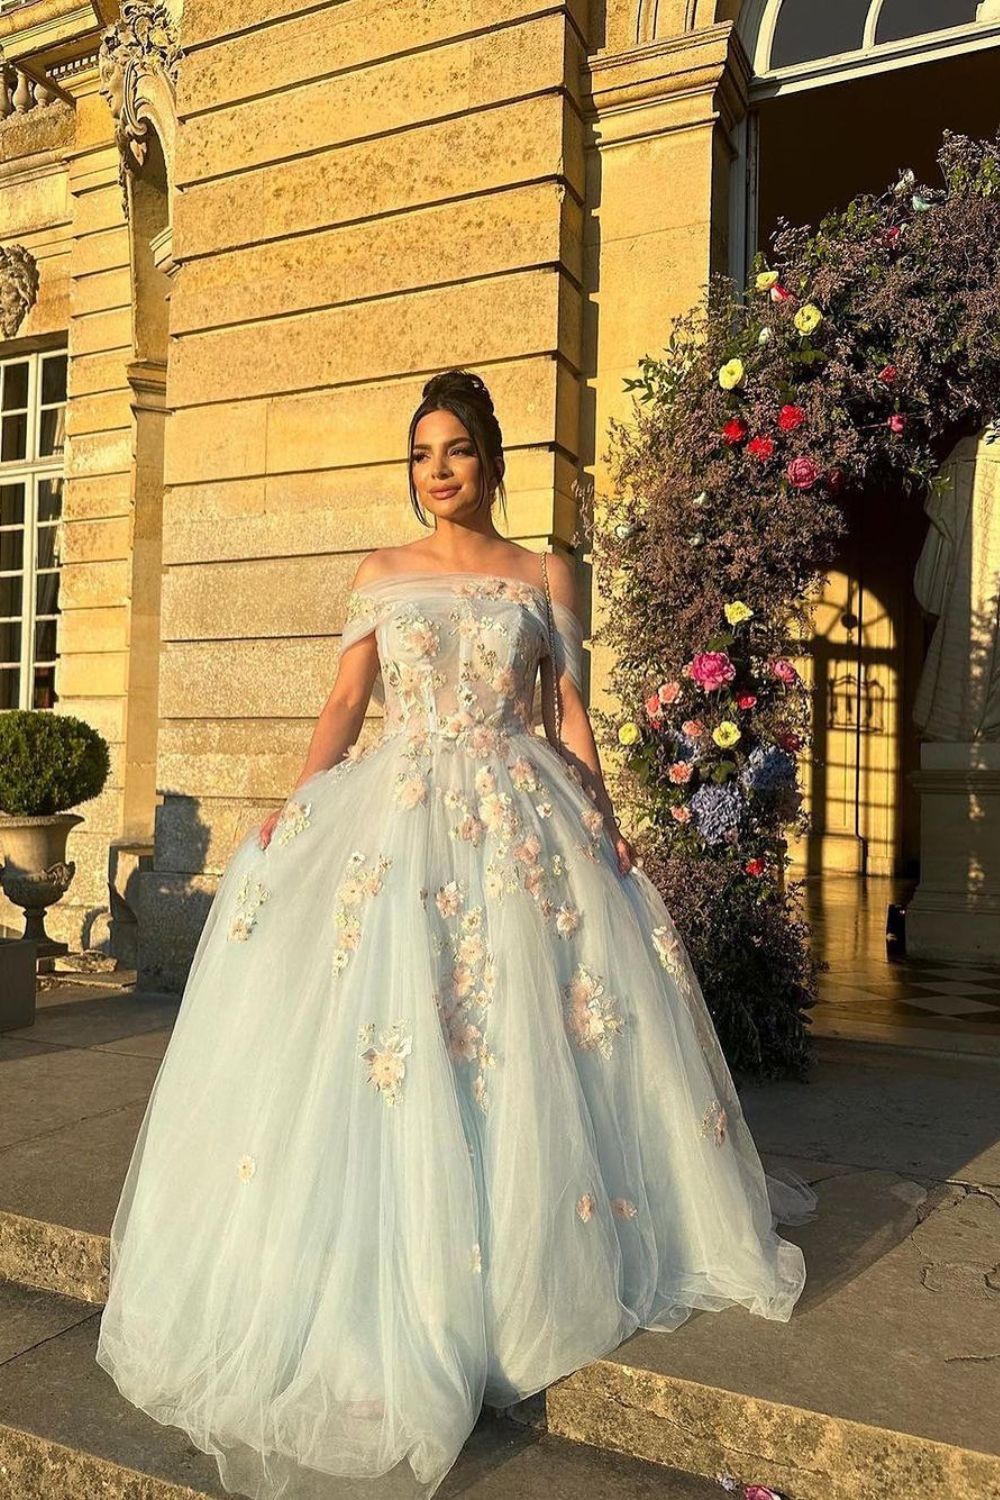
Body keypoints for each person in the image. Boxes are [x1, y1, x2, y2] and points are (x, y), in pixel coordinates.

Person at [95, 368, 818, 1500]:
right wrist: (295, 803)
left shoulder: (543, 572)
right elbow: (345, 703)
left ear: (489, 460)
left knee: (517, 1030)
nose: (440, 471)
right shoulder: (381, 573)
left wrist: (610, 825)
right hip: (395, 820)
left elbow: (568, 711)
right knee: (401, 1035)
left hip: (520, 816)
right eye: (424, 453)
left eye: (458, 452)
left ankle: (521, 1251)